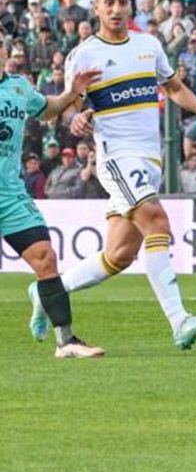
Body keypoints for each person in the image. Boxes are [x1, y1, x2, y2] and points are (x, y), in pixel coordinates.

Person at [47, 0, 196, 351]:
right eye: (108, 2)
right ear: (96, 8)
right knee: (157, 221)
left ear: (131, 5)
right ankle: (179, 321)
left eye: (122, 1)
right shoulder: (84, 55)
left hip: (149, 158)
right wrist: (75, 118)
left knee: (119, 255)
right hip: (116, 156)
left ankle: (49, 290)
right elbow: (70, 107)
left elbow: (173, 87)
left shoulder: (148, 45)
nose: (116, 9)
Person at [0, 44, 106, 357]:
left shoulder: (18, 87)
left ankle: (66, 342)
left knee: (45, 258)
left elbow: (48, 109)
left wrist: (72, 90)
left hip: (10, 195)